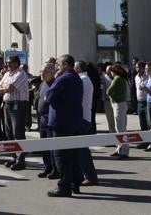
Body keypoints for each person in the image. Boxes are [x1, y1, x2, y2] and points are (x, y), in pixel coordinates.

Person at [44, 54, 84, 198]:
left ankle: (64, 187)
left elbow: (48, 97)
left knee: (61, 156)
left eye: (59, 64)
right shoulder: (76, 78)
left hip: (61, 123)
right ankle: (75, 183)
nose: (56, 67)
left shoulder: (63, 78)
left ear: (66, 64)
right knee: (72, 155)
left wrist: (54, 79)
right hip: (73, 121)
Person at [0, 54, 29, 170]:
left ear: (16, 63)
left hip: (18, 105)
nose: (7, 64)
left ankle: (21, 160)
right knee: (9, 133)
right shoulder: (6, 74)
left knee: (18, 133)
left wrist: (5, 87)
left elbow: (10, 88)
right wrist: (6, 87)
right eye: (7, 62)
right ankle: (13, 157)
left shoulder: (21, 74)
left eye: (9, 62)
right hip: (7, 105)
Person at [75, 61, 99, 186]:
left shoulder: (83, 79)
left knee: (82, 150)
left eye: (74, 67)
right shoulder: (84, 78)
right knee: (80, 149)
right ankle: (86, 175)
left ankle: (90, 176)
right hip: (84, 117)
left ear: (78, 68)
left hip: (83, 118)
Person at [106, 64, 130, 158]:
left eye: (111, 71)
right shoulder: (122, 79)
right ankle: (120, 149)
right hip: (122, 104)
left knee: (120, 128)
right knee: (122, 127)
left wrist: (113, 97)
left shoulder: (117, 79)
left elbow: (108, 91)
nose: (110, 73)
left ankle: (124, 151)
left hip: (118, 104)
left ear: (114, 71)